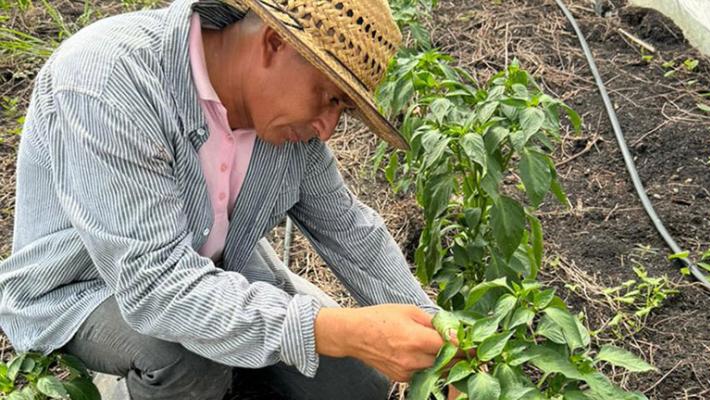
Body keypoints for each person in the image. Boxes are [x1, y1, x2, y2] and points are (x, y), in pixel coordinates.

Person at [0, 0, 449, 398]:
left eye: (342, 110)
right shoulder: (110, 78)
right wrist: (328, 329)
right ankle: (125, 387)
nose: (328, 128)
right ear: (274, 43)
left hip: (214, 268)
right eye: (330, 98)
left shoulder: (289, 131)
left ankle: (235, 357)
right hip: (89, 287)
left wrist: (443, 342)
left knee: (357, 385)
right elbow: (155, 286)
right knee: (184, 357)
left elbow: (350, 231)